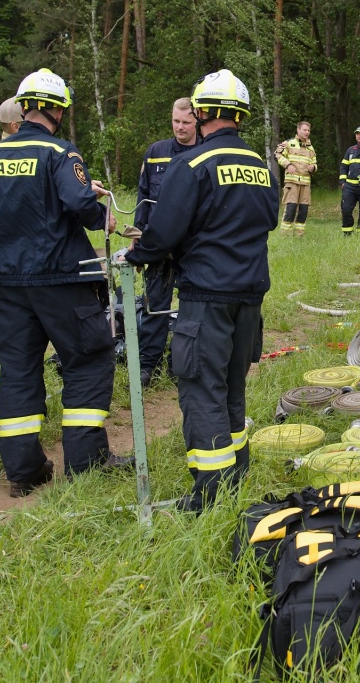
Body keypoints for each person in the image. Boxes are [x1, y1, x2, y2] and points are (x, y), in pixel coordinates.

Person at [124, 70, 277, 513]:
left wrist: (139, 255)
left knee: (200, 388)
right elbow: (267, 222)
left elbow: (164, 232)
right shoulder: (262, 169)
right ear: (240, 116)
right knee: (231, 388)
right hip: (249, 299)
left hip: (205, 297)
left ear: (203, 112)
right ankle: (236, 476)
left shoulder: (190, 165)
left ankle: (211, 497)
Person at [0, 69, 128, 497]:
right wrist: (104, 217)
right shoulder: (61, 153)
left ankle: (24, 471)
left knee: (19, 370)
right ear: (57, 109)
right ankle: (84, 462)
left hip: (7, 285)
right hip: (62, 280)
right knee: (88, 361)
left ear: (24, 107)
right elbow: (78, 202)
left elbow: (3, 206)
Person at [130, 97, 198, 388]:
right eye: (175, 121)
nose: (180, 128)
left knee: (189, 310)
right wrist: (138, 237)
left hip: (192, 249)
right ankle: (148, 366)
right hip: (158, 248)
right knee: (153, 307)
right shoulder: (156, 152)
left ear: (197, 121)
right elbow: (143, 198)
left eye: (186, 122)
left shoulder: (205, 152)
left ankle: (179, 363)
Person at [274, 121, 316, 235]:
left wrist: (313, 167)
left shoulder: (311, 148)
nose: (307, 132)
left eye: (308, 130)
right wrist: (288, 164)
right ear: (298, 130)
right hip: (292, 182)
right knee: (291, 209)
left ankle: (299, 235)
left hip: (305, 183)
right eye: (304, 130)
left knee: (304, 210)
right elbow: (277, 155)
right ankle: (285, 235)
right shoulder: (288, 143)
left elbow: (314, 162)